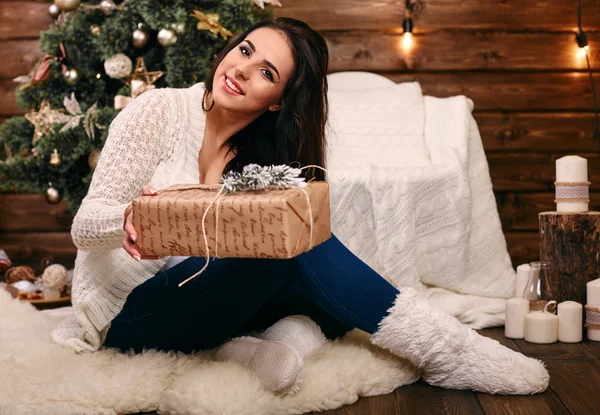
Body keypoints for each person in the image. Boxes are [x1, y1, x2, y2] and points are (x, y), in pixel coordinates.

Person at [52, 17, 549, 396]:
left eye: (265, 72)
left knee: (319, 275)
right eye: (245, 50)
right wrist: (130, 219)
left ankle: (261, 349)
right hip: (130, 315)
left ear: (277, 102)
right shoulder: (158, 111)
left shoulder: (259, 158)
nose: (241, 70)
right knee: (302, 252)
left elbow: (223, 260)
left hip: (200, 301)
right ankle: (446, 351)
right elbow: (84, 225)